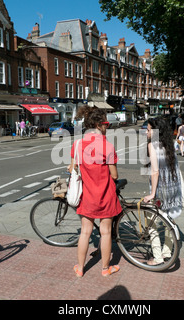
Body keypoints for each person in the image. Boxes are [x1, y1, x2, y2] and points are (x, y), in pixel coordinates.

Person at [68, 106, 122, 278]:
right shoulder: (107, 146)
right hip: (106, 195)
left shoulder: (77, 145)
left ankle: (80, 268)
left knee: (85, 231)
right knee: (105, 232)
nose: (107, 127)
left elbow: (72, 168)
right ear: (99, 125)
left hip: (88, 196)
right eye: (106, 123)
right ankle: (106, 269)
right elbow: (114, 175)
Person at [143, 117, 183, 265]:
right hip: (174, 188)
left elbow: (155, 171)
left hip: (161, 190)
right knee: (168, 221)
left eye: (148, 130)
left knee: (151, 220)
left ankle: (157, 257)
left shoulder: (152, 145)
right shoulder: (169, 144)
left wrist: (152, 194)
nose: (146, 132)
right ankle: (167, 251)